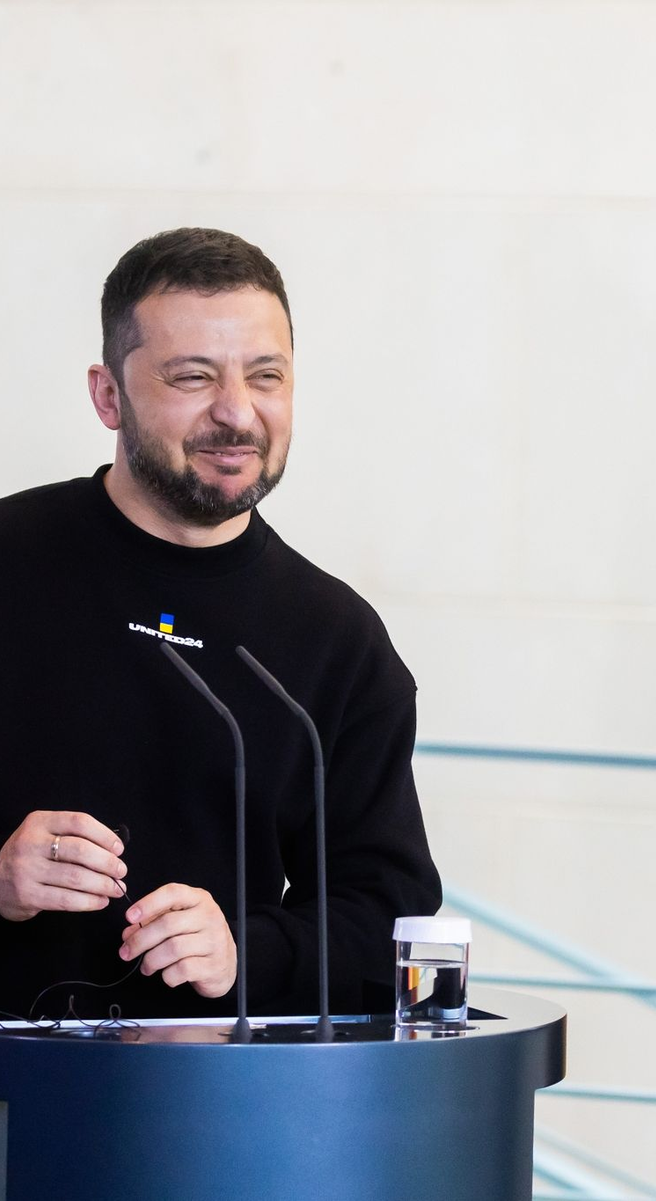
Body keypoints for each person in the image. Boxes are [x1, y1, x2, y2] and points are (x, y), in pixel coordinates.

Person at [0, 228, 441, 1021]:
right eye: (193, 377)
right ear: (108, 395)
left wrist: (248, 950)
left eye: (265, 376)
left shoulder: (339, 640)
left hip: (216, 1114)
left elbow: (387, 913)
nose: (236, 413)